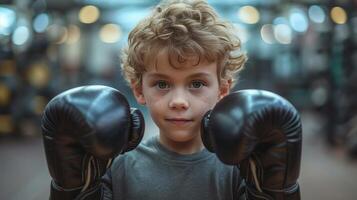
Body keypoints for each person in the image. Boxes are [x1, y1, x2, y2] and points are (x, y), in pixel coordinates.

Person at [41, 0, 302, 199]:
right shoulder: (117, 169)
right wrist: (72, 188)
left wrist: (274, 191)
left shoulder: (241, 169)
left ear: (223, 90)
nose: (179, 101)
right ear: (139, 90)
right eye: (162, 84)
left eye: (197, 84)